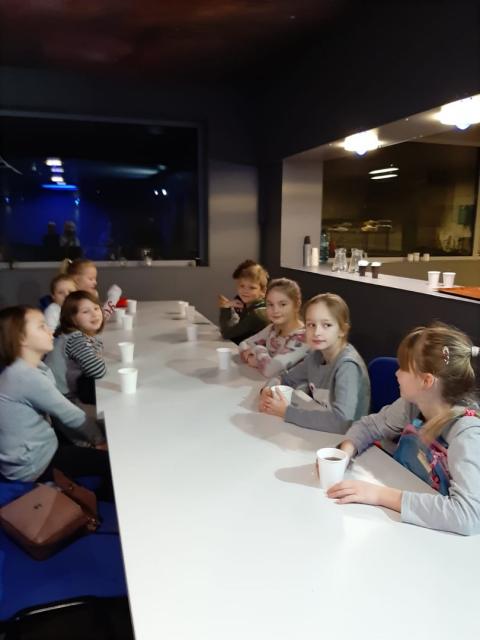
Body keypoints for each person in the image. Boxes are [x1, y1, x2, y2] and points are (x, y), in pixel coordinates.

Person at [327, 323, 480, 536]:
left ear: (426, 381)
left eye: (404, 368)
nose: (397, 373)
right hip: (403, 524)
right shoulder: (413, 404)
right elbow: (370, 425)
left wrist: (378, 495)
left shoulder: (467, 434)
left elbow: (468, 515)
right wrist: (344, 453)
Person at [0, 306, 112, 498]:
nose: (51, 330)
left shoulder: (31, 369)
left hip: (37, 449)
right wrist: (100, 441)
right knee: (112, 462)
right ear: (21, 338)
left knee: (98, 429)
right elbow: (71, 415)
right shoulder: (25, 377)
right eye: (41, 326)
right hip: (34, 464)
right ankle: (96, 504)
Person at [259, 293, 370, 433]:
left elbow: (342, 423)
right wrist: (268, 390)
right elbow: (286, 378)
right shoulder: (316, 356)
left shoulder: (348, 367)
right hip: (320, 433)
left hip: (346, 439)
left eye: (326, 325)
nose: (317, 332)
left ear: (342, 330)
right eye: (311, 325)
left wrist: (286, 412)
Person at [45, 291, 106, 407]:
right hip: (59, 397)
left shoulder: (73, 334)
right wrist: (98, 357)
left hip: (58, 392)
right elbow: (97, 370)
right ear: (72, 319)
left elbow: (97, 347)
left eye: (96, 308)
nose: (94, 314)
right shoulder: (75, 339)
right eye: (85, 311)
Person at [238, 278, 308, 377]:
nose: (275, 310)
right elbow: (244, 344)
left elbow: (270, 370)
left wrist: (258, 349)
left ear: (297, 305)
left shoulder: (304, 337)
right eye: (270, 304)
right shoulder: (273, 328)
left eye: (282, 304)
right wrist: (251, 357)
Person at [218, 259, 269, 344]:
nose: (245, 291)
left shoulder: (256, 314)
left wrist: (225, 307)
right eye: (242, 286)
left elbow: (227, 334)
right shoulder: (250, 307)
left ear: (263, 291)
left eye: (252, 288)